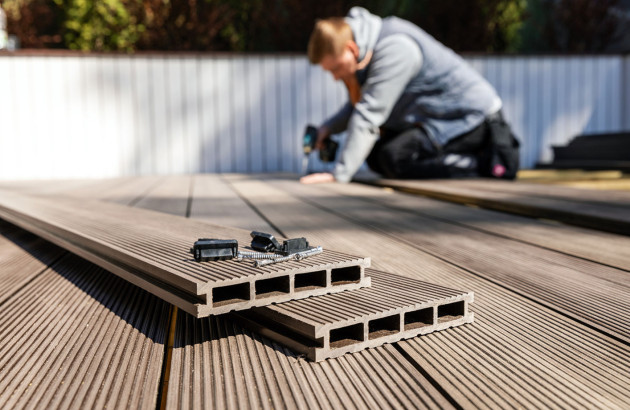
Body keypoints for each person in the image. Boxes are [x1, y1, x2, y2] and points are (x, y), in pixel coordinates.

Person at [300, 7, 519, 185]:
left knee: (393, 157)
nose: (336, 78)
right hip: (435, 119)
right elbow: (357, 108)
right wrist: (326, 129)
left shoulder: (395, 48)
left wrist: (338, 176)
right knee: (377, 156)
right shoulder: (368, 50)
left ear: (351, 49)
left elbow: (369, 114)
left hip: (469, 118)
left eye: (335, 68)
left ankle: (484, 163)